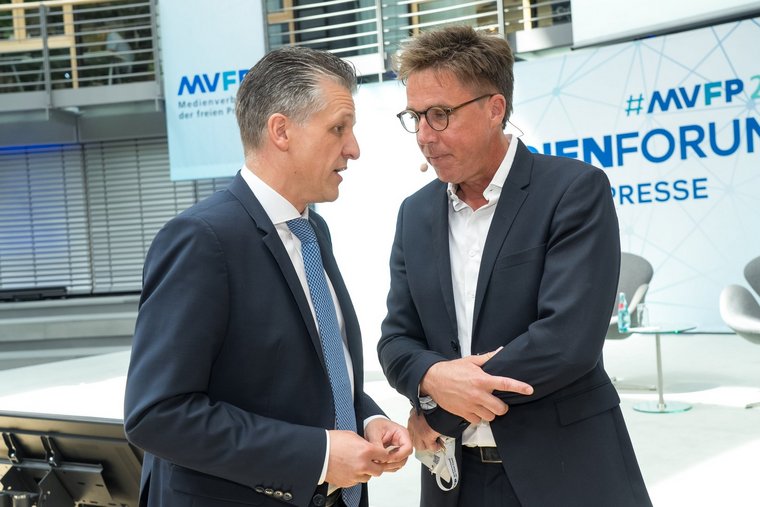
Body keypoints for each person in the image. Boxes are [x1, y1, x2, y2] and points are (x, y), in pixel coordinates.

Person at [124, 46, 412, 507]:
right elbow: (157, 414)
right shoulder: (203, 239)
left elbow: (314, 374)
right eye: (338, 128)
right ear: (281, 131)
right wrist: (318, 455)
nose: (353, 149)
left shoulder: (312, 230)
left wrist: (367, 419)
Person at [377, 25, 653, 507]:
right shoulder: (414, 213)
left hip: (565, 472)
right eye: (414, 117)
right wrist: (432, 376)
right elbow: (397, 340)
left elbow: (566, 341)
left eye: (440, 115)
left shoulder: (572, 191)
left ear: (494, 108)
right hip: (454, 483)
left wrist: (439, 412)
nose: (423, 136)